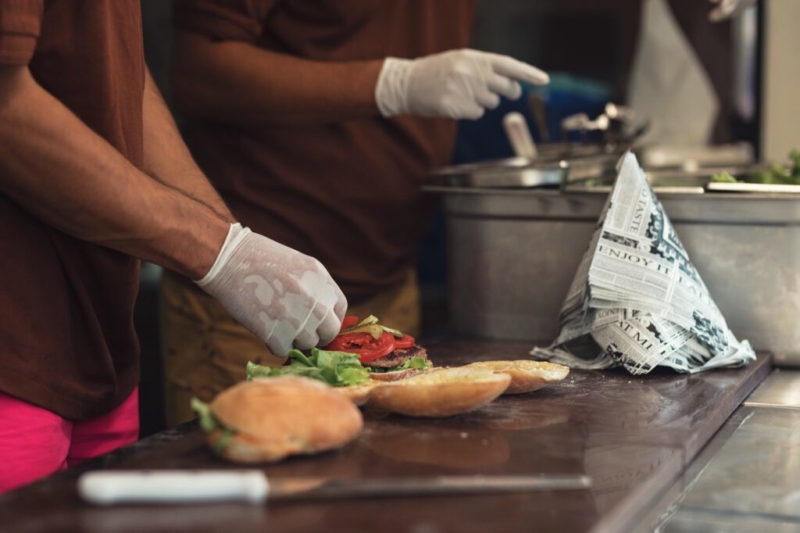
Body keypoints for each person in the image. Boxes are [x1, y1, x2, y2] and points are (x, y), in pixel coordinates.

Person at [0, 1, 346, 493]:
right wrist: (218, 254)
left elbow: (115, 70)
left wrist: (237, 246)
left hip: (101, 349)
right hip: (12, 365)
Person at [164, 0, 549, 425]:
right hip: (257, 302)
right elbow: (200, 73)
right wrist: (392, 84)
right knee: (265, 476)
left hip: (390, 288)